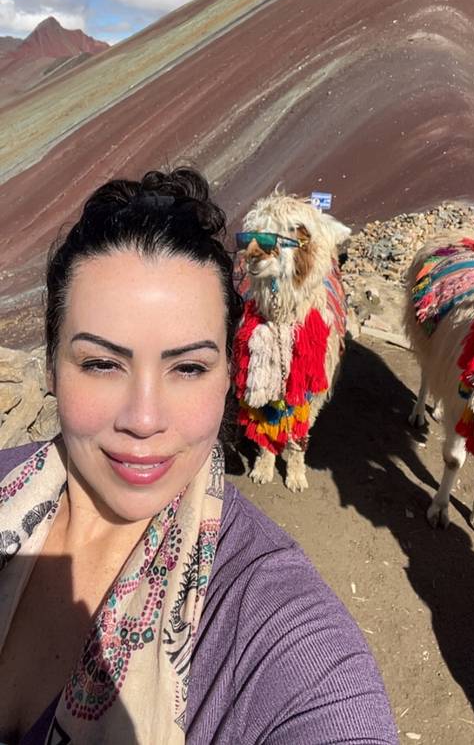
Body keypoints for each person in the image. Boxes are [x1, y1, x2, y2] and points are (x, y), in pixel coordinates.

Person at [0, 167, 399, 745]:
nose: (143, 419)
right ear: (52, 367)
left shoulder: (282, 638)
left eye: (188, 368)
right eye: (101, 364)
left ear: (226, 376)